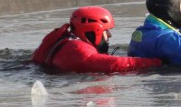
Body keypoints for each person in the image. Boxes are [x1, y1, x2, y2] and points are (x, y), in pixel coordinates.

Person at [32, 6, 163, 73]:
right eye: (106, 31)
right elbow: (113, 64)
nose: (109, 35)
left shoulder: (66, 39)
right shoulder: (79, 51)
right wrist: (156, 62)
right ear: (94, 30)